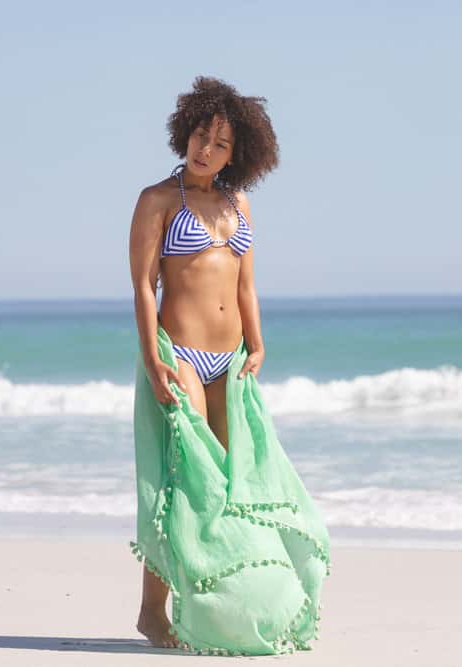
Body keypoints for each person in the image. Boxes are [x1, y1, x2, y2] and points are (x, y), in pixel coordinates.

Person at [127, 76, 330, 656]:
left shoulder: (239, 204)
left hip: (231, 358)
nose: (204, 149)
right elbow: (144, 286)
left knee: (235, 485)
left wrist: (259, 344)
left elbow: (246, 283)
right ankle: (150, 610)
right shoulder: (158, 200)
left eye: (219, 143)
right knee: (187, 482)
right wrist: (152, 358)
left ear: (237, 154)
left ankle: (215, 604)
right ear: (184, 131)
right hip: (181, 355)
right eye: (199, 135)